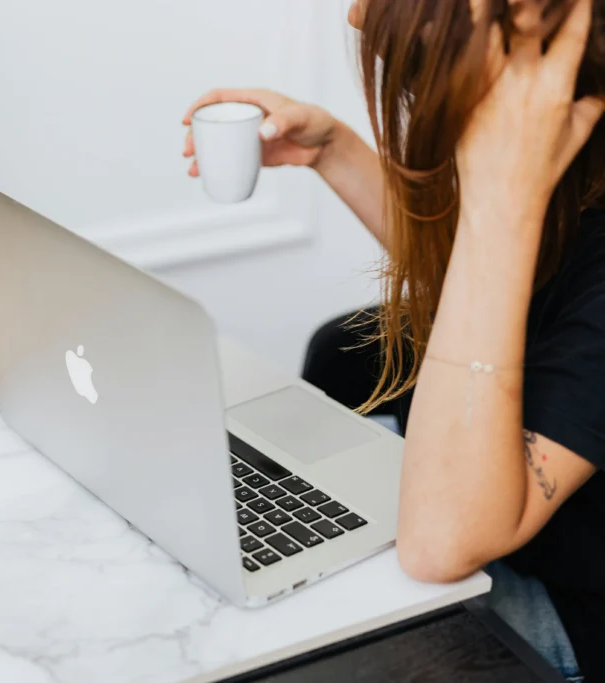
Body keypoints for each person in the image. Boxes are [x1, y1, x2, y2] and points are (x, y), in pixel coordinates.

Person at [183, 0, 604, 680]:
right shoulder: (572, 158)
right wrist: (335, 151)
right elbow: (496, 285)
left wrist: (502, 199)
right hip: (487, 524)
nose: (355, 16)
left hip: (566, 610)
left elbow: (440, 543)